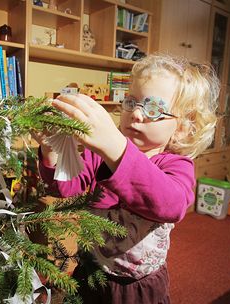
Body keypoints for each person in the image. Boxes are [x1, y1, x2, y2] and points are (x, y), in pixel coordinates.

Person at [35, 54, 219, 303]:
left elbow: (171, 204)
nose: (136, 114)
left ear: (183, 127)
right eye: (131, 102)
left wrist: (117, 150)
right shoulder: (100, 153)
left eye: (153, 108)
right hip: (90, 271)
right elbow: (65, 188)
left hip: (136, 287)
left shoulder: (175, 165)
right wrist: (52, 151)